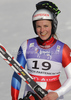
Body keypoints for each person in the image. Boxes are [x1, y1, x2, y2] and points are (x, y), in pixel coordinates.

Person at [11, 1, 71, 100]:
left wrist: (57, 93)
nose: (42, 30)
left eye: (46, 26)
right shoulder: (26, 45)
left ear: (53, 26)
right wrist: (14, 98)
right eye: (39, 26)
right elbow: (17, 74)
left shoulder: (63, 49)